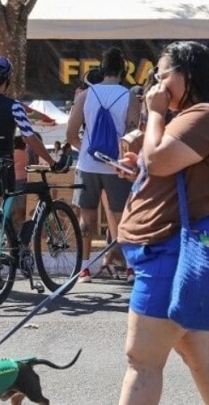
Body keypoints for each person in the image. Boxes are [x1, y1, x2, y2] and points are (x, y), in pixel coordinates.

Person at [114, 40, 209, 405]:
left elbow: (162, 160)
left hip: (170, 254)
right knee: (199, 356)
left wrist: (154, 115)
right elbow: (163, 166)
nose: (156, 85)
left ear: (186, 74)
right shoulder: (193, 116)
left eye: (161, 75)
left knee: (142, 360)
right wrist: (140, 162)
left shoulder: (205, 115)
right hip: (168, 250)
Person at [66, 47, 141, 282]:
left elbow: (70, 134)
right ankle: (130, 268)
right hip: (116, 166)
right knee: (121, 218)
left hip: (88, 165)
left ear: (102, 69)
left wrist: (88, 150)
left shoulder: (86, 95)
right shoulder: (128, 96)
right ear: (123, 70)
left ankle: (85, 268)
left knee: (85, 218)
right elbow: (132, 133)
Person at [0, 55, 55, 219]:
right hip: (1, 167)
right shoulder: (14, 106)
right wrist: (51, 161)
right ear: (8, 80)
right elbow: (30, 138)